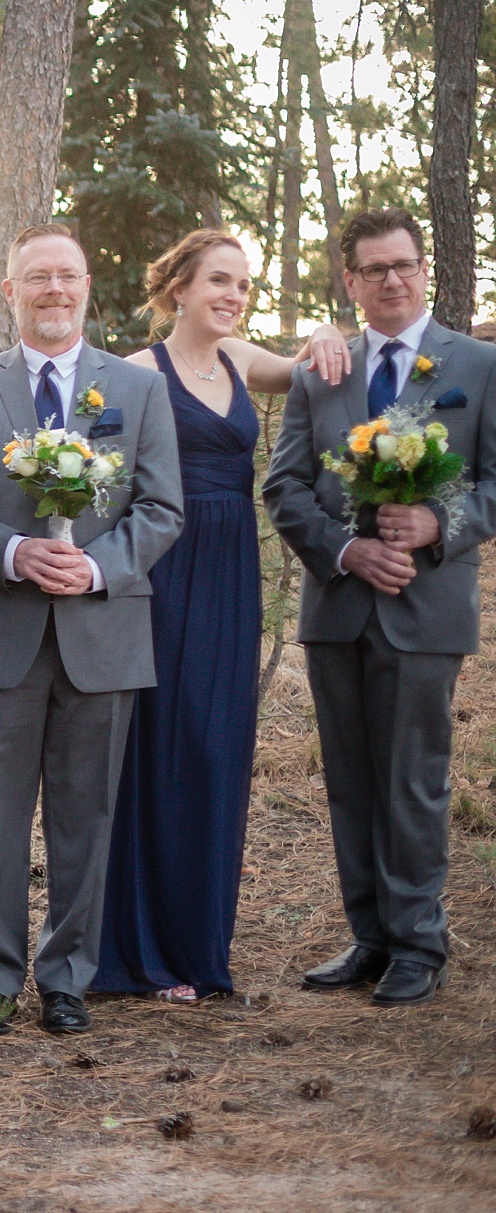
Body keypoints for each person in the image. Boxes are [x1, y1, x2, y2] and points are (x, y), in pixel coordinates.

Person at [0, 223, 183, 1038]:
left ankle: (67, 976)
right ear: (10, 292)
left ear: (87, 286)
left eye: (68, 276)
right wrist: (11, 551)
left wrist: (97, 567)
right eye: (38, 277)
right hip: (1, 631)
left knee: (86, 814)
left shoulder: (137, 391)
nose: (55, 291)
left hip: (103, 631)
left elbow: (162, 508)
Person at [96, 233, 351, 1003]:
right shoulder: (137, 372)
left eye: (243, 284)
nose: (234, 295)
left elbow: (312, 364)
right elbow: (91, 464)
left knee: (216, 746)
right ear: (178, 287)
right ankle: (139, 954)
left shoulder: (242, 361)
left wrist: (328, 330)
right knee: (158, 744)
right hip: (162, 567)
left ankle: (200, 944)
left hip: (230, 569)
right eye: (218, 281)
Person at [264, 207, 496, 1009]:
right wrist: (343, 548)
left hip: (425, 608)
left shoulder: (477, 365)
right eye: (373, 269)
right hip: (338, 607)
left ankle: (418, 941)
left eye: (403, 265)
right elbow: (285, 484)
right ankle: (368, 936)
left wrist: (439, 523)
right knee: (351, 781)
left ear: (425, 270)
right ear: (351, 280)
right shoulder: (323, 369)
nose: (391, 280)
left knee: (415, 780)